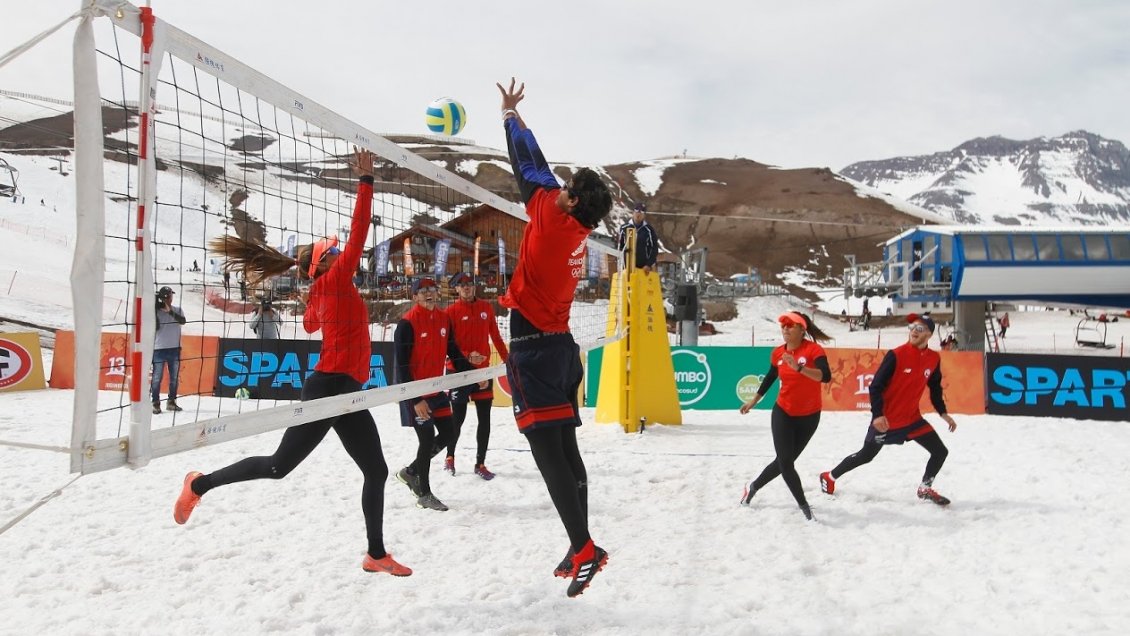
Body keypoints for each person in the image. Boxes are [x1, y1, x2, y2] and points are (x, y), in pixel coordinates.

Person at [172, 148, 413, 577]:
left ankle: (375, 553)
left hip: (346, 390)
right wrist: (365, 181)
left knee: (375, 470)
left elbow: (309, 325)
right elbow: (359, 233)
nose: (346, 255)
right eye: (337, 254)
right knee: (279, 467)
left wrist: (312, 300)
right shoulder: (334, 281)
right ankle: (199, 483)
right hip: (328, 387)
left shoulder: (327, 287)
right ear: (326, 264)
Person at [497, 77, 613, 598]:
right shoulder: (576, 227)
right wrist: (518, 121)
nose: (560, 186)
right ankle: (579, 542)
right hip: (561, 349)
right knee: (566, 454)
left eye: (568, 187)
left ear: (571, 201)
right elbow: (540, 171)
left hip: (535, 350)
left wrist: (509, 120)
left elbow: (529, 166)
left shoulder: (548, 217)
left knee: (550, 460)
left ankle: (585, 548)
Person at [819, 313, 959, 506]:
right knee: (865, 456)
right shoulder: (896, 355)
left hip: (912, 420)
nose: (913, 331)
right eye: (911, 328)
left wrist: (943, 414)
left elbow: (935, 388)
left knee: (940, 451)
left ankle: (925, 488)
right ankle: (829, 476)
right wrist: (877, 415)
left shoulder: (933, 359)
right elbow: (875, 386)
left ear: (929, 334)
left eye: (919, 328)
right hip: (886, 421)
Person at [739, 311, 833, 521]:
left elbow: (825, 376)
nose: (785, 329)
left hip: (809, 416)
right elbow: (771, 377)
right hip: (783, 412)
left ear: (802, 329)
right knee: (786, 463)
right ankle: (806, 509)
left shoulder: (813, 350)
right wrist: (753, 401)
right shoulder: (777, 353)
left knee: (784, 462)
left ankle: (752, 487)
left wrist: (799, 368)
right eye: (783, 326)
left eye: (790, 325)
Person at [393, 277, 474, 512]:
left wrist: (474, 374)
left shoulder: (443, 319)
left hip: (436, 390)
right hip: (416, 392)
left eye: (432, 289)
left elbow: (454, 353)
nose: (429, 293)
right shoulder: (406, 323)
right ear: (415, 296)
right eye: (423, 290)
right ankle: (423, 493)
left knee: (450, 433)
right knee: (426, 439)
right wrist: (415, 399)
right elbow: (402, 366)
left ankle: (411, 472)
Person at [443, 272, 509, 480]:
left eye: (469, 284)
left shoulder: (485, 308)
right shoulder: (450, 312)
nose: (466, 287)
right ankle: (449, 457)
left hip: (483, 372)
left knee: (485, 420)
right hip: (459, 372)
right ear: (456, 289)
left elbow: (496, 337)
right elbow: (447, 345)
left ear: (474, 287)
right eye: (461, 285)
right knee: (458, 419)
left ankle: (480, 464)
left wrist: (509, 360)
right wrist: (466, 356)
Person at [152, 286, 187, 414]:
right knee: (157, 378)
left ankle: (171, 402)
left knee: (174, 378)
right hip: (159, 349)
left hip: (174, 349)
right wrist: (155, 308)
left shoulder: (178, 310)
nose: (169, 298)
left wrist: (169, 311)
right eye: (167, 296)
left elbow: (183, 321)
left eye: (170, 296)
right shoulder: (155, 311)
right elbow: (155, 327)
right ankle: (155, 403)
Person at [616, 201, 658, 272]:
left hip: (643, 269)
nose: (638, 214)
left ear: (644, 215)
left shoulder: (649, 230)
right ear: (633, 213)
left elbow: (654, 249)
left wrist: (648, 264)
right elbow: (619, 247)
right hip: (627, 269)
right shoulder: (624, 228)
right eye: (637, 211)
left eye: (641, 212)